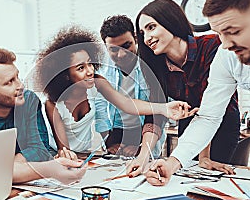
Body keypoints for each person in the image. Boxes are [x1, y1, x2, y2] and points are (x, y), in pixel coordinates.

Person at [145, 0, 250, 186]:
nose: (225, 45)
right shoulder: (227, 54)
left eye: (233, 31)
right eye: (220, 33)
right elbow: (208, 117)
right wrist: (172, 163)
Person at [35, 26, 195, 156]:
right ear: (65, 75)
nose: (90, 71)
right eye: (80, 68)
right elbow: (65, 151)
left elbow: (127, 104)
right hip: (56, 156)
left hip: (86, 156)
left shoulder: (97, 82)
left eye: (90, 63)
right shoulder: (52, 104)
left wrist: (164, 108)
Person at [128, 0, 240, 178]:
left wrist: (205, 157)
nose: (146, 38)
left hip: (223, 124)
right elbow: (156, 113)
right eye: (142, 33)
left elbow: (209, 111)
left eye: (151, 27)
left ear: (170, 21)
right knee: (182, 175)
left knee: (211, 181)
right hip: (189, 124)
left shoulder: (212, 46)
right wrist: (143, 157)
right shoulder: (157, 66)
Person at [0, 47, 86, 185]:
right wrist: (23, 163)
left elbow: (40, 150)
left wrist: (12, 165)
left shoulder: (29, 100)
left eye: (17, 77)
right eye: (9, 82)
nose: (20, 85)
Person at [95, 15, 162, 157]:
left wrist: (143, 147)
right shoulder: (102, 70)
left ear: (136, 39)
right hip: (116, 131)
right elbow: (100, 107)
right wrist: (109, 142)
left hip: (145, 130)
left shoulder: (152, 64)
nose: (121, 55)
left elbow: (158, 110)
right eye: (113, 49)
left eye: (127, 46)